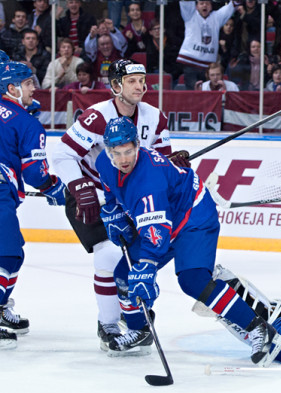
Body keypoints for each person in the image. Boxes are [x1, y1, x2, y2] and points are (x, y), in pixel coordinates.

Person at [94, 116, 281, 362]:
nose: (123, 159)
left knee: (193, 280)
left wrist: (147, 268)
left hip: (194, 216)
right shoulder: (104, 163)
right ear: (108, 151)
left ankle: (258, 328)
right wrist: (114, 212)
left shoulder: (149, 181)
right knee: (123, 274)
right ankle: (139, 330)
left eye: (128, 151)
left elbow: (157, 235)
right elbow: (110, 190)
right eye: (116, 153)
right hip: (165, 216)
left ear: (137, 145)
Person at [49, 59, 189, 351]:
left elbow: (158, 162)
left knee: (133, 263)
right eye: (132, 81)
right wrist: (79, 186)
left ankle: (133, 318)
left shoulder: (155, 117)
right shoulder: (96, 117)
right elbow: (62, 154)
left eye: (142, 80)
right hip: (90, 195)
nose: (140, 86)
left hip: (127, 197)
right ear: (115, 86)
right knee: (107, 257)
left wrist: (173, 162)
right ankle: (108, 324)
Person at [0, 61, 66, 349]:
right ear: (11, 88)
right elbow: (36, 173)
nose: (33, 88)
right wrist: (56, 189)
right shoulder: (27, 123)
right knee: (7, 254)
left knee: (14, 254)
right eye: (28, 83)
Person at [177, 0, 236, 91]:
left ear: (211, 6)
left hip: (208, 67)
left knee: (208, 93)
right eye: (201, 3)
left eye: (207, 3)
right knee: (195, 92)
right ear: (196, 6)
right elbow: (186, 2)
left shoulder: (216, 17)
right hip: (190, 63)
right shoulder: (190, 15)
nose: (205, 5)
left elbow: (231, 7)